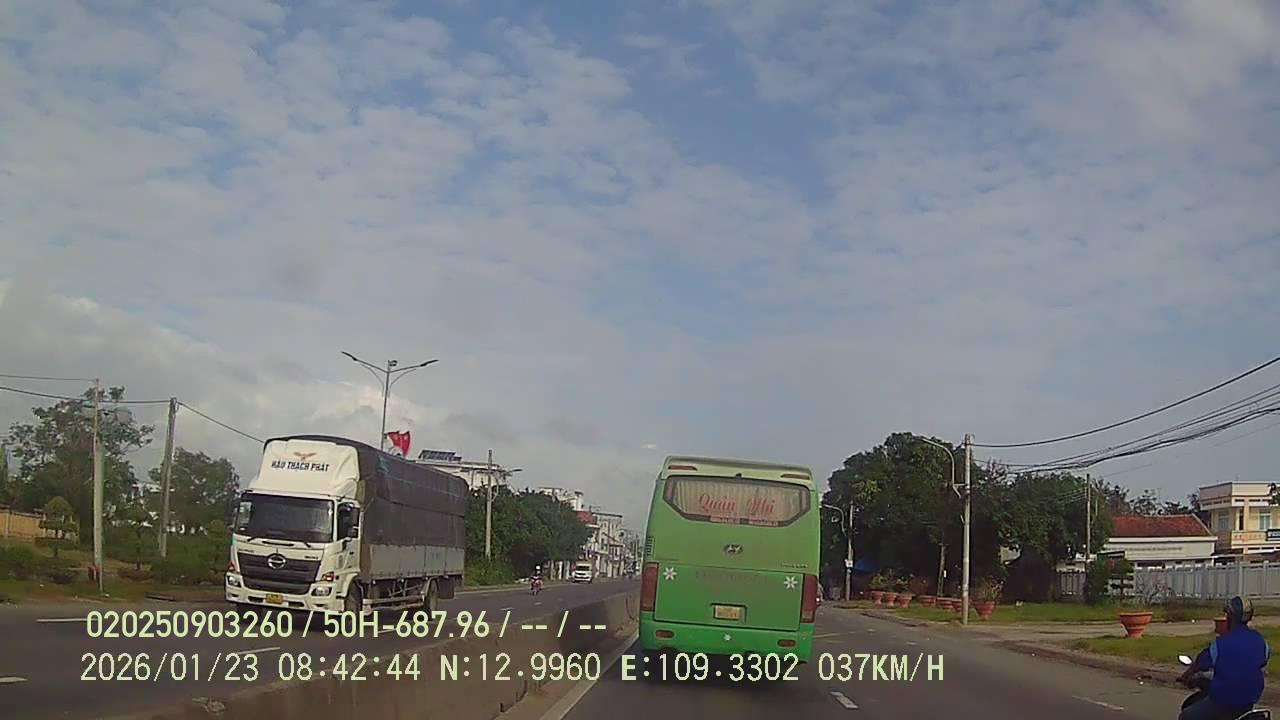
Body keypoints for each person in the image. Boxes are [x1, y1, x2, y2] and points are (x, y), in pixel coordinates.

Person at [1178, 595, 1270, 720]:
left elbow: (1200, 663)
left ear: (1230, 617)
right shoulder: (1261, 642)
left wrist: (1186, 675)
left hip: (1222, 703)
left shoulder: (1220, 644)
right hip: (1248, 703)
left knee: (1186, 716)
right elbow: (1262, 663)